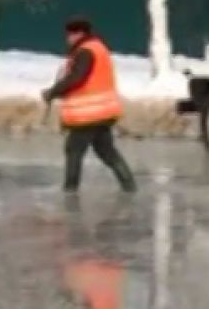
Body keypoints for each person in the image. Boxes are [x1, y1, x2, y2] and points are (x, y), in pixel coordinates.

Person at [43, 18, 138, 193]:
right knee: (106, 151)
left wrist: (53, 91)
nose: (68, 39)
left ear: (79, 34)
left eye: (70, 35)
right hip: (103, 112)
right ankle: (129, 186)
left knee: (74, 151)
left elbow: (76, 78)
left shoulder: (85, 51)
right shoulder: (98, 48)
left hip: (88, 114)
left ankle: (70, 190)